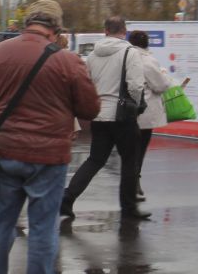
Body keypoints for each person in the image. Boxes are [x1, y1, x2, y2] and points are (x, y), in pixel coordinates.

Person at [0, 0, 100, 274]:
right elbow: (90, 109)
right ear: (56, 30)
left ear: (26, 23)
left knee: (1, 222)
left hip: (5, 151)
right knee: (43, 229)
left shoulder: (0, 52)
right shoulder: (67, 60)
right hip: (48, 156)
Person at [61, 16, 151, 221]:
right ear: (124, 30)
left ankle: (67, 198)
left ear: (105, 31)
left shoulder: (92, 55)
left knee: (95, 160)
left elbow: (87, 84)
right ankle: (129, 209)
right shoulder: (130, 52)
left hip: (99, 114)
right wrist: (135, 106)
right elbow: (136, 85)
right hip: (123, 117)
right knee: (130, 162)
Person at [125, 30, 175, 203]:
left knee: (128, 150)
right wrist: (164, 74)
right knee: (140, 151)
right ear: (146, 44)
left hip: (125, 110)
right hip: (145, 113)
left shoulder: (124, 58)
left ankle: (130, 185)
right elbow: (160, 85)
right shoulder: (148, 60)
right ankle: (134, 185)